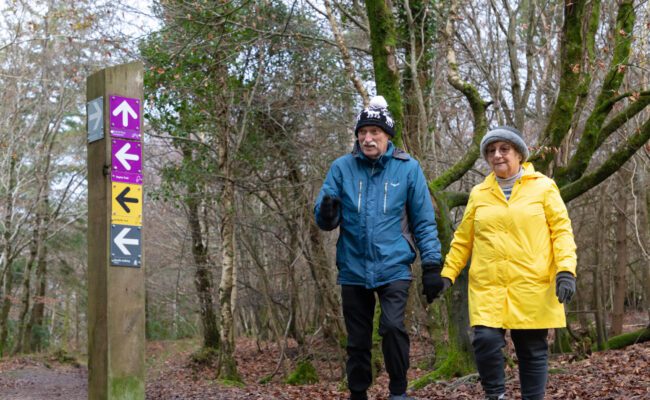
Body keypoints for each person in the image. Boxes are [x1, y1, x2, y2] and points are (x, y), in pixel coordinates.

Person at [426, 126, 577, 400]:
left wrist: (566, 270)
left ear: (519, 154)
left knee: (531, 349)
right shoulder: (479, 193)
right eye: (491, 151)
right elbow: (463, 240)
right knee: (484, 341)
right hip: (488, 286)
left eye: (504, 149)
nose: (497, 155)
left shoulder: (544, 187)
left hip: (531, 283)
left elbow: (561, 231)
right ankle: (495, 396)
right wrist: (447, 274)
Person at [314, 96, 443, 400]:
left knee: (393, 327)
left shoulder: (408, 168)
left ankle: (398, 391)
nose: (368, 139)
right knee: (357, 340)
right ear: (357, 136)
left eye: (375, 133)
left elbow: (423, 221)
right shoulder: (342, 168)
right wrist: (328, 211)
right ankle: (358, 393)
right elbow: (325, 221)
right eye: (363, 133)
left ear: (387, 136)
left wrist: (432, 266)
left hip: (394, 264)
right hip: (353, 266)